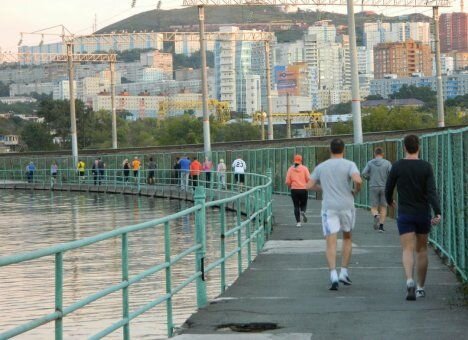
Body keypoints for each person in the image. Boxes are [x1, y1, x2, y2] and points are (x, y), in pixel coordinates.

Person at [385, 134, 441, 301]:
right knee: (422, 250)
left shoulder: (397, 166)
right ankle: (420, 288)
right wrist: (437, 211)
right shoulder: (426, 167)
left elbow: (389, 188)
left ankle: (409, 280)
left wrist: (390, 201)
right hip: (422, 213)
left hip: (405, 213)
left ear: (404, 147)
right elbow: (431, 192)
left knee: (407, 249)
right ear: (419, 147)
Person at [307, 138, 362, 291]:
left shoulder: (321, 167)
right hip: (347, 205)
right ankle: (344, 271)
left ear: (330, 150)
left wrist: (323, 187)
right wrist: (356, 190)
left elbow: (309, 185)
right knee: (347, 237)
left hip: (329, 206)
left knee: (331, 241)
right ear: (343, 150)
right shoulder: (350, 164)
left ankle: (333, 274)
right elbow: (358, 180)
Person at [362, 147, 392, 232]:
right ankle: (381, 227)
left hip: (373, 186)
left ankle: (376, 215)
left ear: (374, 154)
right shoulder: (387, 163)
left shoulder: (370, 163)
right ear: (383, 154)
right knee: (383, 207)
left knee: (374, 207)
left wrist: (369, 178)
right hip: (384, 187)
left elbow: (364, 173)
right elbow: (392, 173)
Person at [285, 154, 310, 228]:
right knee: (304, 203)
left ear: (294, 161)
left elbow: (287, 181)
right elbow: (309, 179)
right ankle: (303, 211)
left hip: (294, 190)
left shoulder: (290, 169)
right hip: (303, 189)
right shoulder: (305, 169)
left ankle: (298, 223)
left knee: (296, 206)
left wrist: (290, 186)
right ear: (301, 161)